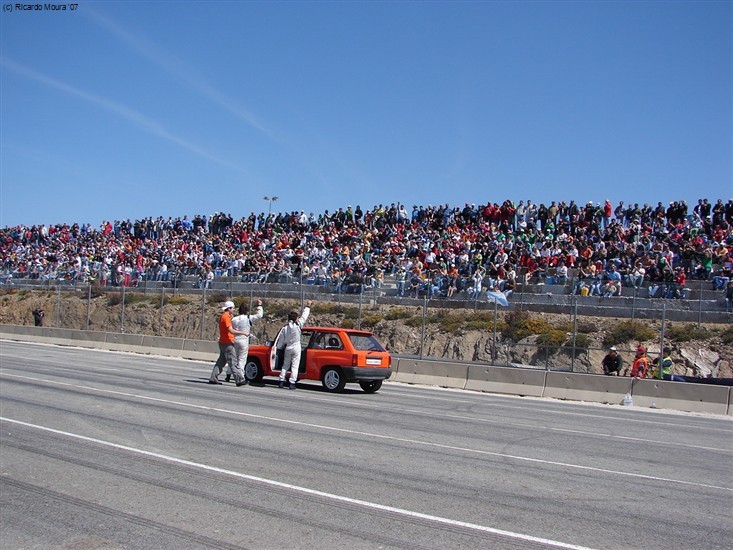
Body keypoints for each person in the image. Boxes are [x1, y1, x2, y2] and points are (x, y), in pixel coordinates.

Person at [208, 301, 249, 386]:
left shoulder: (225, 316)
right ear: (229, 308)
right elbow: (231, 330)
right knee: (233, 362)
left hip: (223, 342)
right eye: (233, 308)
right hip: (227, 343)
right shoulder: (226, 317)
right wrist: (243, 333)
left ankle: (213, 378)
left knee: (221, 362)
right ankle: (239, 380)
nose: (234, 309)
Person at [224, 299, 264, 383]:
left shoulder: (234, 319)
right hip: (243, 339)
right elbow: (259, 315)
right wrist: (259, 306)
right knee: (242, 359)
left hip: (234, 339)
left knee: (233, 358)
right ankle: (240, 377)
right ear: (247, 310)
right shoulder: (248, 318)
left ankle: (228, 374)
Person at [276, 300, 312, 389]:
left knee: (285, 365)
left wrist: (278, 348)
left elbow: (281, 340)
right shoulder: (298, 325)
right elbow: (304, 316)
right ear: (296, 318)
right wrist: (308, 306)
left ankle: (281, 381)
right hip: (296, 347)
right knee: (295, 366)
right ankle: (292, 383)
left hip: (288, 347)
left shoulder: (285, 328)